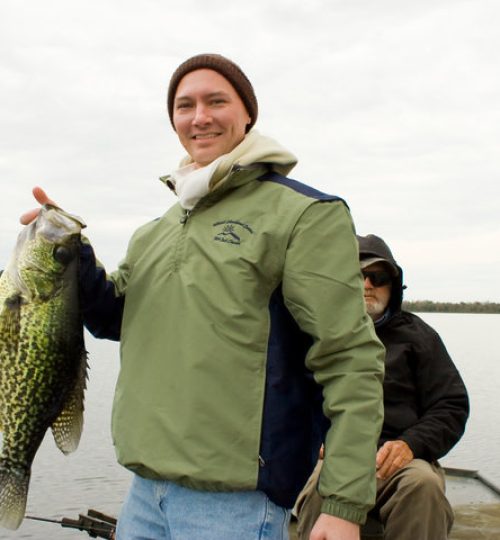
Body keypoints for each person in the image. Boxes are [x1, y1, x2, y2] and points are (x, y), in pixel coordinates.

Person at [21, 54, 385, 540]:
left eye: (217, 101)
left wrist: (342, 503)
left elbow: (350, 359)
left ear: (247, 113)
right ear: (173, 120)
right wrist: (67, 252)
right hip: (144, 495)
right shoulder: (156, 230)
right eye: (184, 105)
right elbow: (115, 317)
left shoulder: (305, 214)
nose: (200, 116)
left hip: (236, 506)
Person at [294, 234, 470, 540]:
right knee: (324, 482)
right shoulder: (311, 335)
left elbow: (451, 405)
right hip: (331, 457)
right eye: (358, 275)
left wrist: (411, 444)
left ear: (394, 286)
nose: (367, 285)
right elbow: (288, 401)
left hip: (399, 462)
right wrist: (312, 439)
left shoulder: (419, 337)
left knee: (423, 486)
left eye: (378, 277)